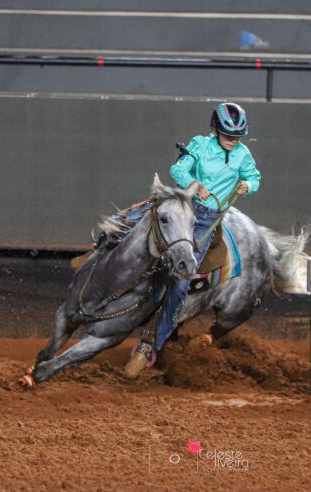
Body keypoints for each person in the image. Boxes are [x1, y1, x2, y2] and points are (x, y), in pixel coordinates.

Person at [123, 102, 262, 379]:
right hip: (184, 204)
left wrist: (249, 185)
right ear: (214, 130)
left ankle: (151, 345)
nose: (233, 141)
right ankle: (103, 248)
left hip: (208, 221)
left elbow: (254, 177)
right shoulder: (199, 146)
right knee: (134, 219)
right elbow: (178, 171)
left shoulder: (243, 155)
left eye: (237, 136)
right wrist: (194, 185)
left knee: (181, 277)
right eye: (227, 135)